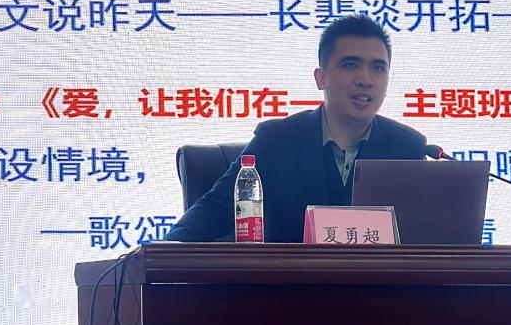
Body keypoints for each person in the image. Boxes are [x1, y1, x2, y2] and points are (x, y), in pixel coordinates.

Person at [165, 15, 427, 242]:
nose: (365, 80)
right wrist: (160, 253)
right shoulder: (277, 141)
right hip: (289, 284)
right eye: (350, 65)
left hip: (378, 286)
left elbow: (427, 236)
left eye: (378, 68)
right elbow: (215, 209)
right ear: (321, 77)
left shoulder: (407, 147)